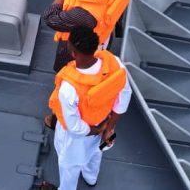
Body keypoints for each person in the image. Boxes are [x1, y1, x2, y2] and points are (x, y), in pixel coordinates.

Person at [40, 26, 132, 190]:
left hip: (76, 139)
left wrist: (97, 130)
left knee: (69, 166)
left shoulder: (69, 89)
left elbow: (75, 128)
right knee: (95, 154)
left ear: (73, 52)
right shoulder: (115, 64)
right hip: (103, 124)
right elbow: (124, 95)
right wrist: (108, 128)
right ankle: (91, 179)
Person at [43, 0, 131, 72]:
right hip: (103, 38)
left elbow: (50, 18)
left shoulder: (84, 14)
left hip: (79, 49)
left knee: (65, 68)